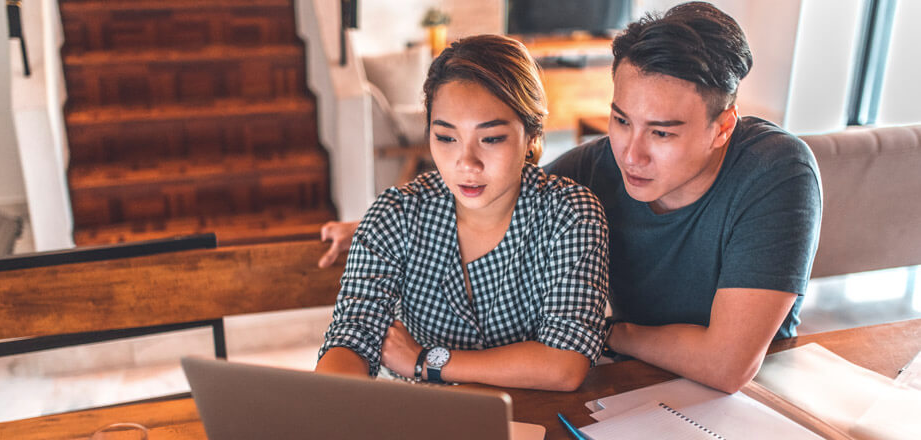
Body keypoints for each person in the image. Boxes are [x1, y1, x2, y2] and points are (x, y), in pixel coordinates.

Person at [317, 2, 822, 394]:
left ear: (721, 128)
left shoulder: (775, 170)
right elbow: (493, 194)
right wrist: (370, 228)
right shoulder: (595, 167)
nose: (631, 153)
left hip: (751, 399)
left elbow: (727, 365)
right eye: (621, 119)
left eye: (662, 134)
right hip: (626, 388)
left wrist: (605, 334)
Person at [314, 35, 609, 392]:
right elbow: (352, 336)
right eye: (446, 137)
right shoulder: (395, 215)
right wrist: (326, 405)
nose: (466, 163)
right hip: (428, 417)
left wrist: (425, 361)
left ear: (531, 134)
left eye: (492, 138)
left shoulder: (570, 215)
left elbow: (565, 364)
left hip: (537, 417)